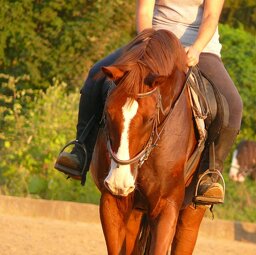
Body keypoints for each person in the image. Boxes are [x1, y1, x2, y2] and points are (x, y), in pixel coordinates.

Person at [55, 0, 243, 204]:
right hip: (153, 46)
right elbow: (145, 11)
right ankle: (81, 150)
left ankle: (210, 173)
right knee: (95, 76)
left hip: (199, 47)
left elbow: (210, 17)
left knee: (233, 104)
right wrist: (149, 47)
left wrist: (196, 49)